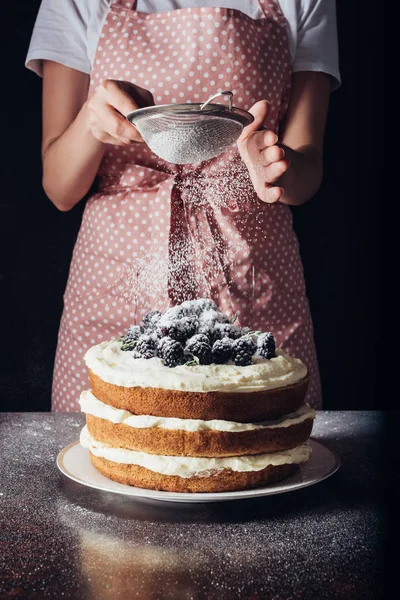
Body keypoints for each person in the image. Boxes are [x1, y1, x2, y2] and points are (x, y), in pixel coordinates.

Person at [26, 0, 341, 412]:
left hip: (251, 282)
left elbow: (307, 169)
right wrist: (92, 121)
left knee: (258, 454)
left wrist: (276, 166)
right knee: (109, 450)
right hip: (114, 281)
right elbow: (60, 187)